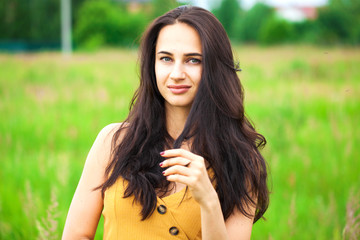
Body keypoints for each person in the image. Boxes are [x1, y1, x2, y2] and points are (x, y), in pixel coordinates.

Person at [62, 5, 269, 240]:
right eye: (166, 58)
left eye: (193, 60)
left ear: (214, 67)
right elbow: (76, 235)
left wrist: (208, 200)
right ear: (153, 65)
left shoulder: (240, 160)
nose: (177, 73)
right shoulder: (113, 142)